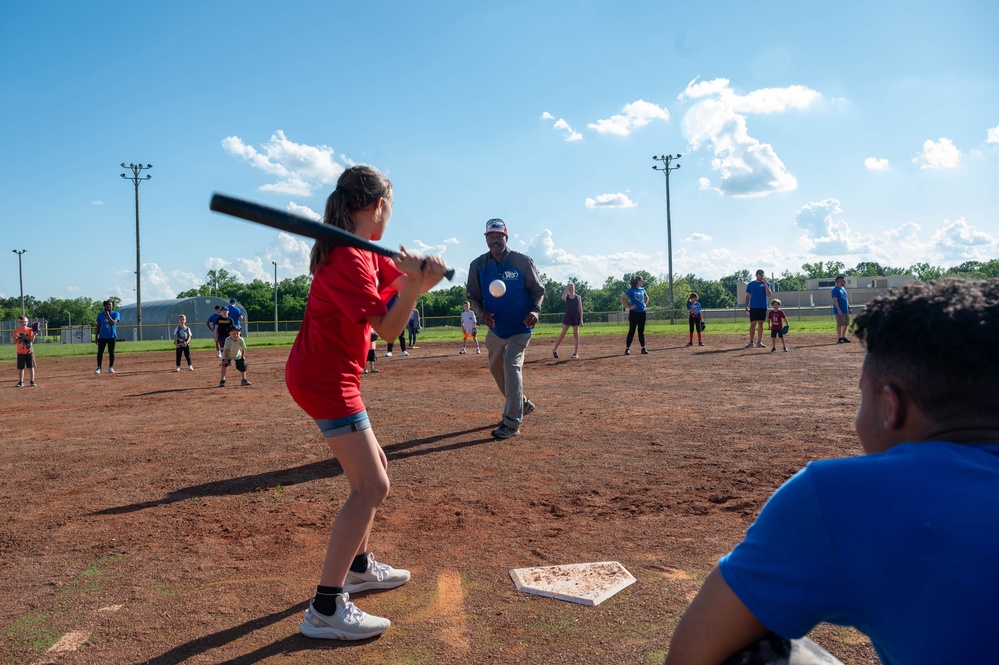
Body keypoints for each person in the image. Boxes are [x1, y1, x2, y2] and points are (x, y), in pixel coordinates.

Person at [665, 278, 999, 665]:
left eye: (863, 397)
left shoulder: (838, 495)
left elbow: (691, 654)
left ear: (892, 408)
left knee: (761, 651)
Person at [284, 165, 446, 640]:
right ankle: (326, 608)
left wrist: (419, 276)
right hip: (324, 376)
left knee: (376, 468)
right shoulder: (346, 258)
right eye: (390, 207)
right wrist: (415, 284)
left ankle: (357, 567)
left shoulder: (364, 253)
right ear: (378, 207)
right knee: (371, 486)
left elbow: (394, 292)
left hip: (333, 373)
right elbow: (390, 328)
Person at [466, 218, 545, 439]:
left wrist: (535, 310)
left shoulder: (521, 261)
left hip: (521, 326)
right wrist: (481, 314)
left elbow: (539, 290)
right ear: (486, 239)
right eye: (490, 236)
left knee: (511, 366)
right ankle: (522, 404)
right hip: (496, 328)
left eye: (498, 236)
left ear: (506, 237)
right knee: (496, 368)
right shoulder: (478, 265)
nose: (494, 240)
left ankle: (511, 423)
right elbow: (474, 298)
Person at [552, 281, 583, 359]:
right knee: (563, 333)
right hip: (568, 316)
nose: (571, 289)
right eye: (570, 288)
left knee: (576, 334)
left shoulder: (578, 297)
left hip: (576, 316)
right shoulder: (567, 297)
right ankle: (554, 349)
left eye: (572, 287)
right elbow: (563, 297)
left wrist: (581, 319)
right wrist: (566, 288)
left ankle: (575, 353)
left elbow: (580, 309)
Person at [621, 274, 649, 355]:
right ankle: (627, 348)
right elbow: (622, 299)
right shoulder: (631, 290)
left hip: (642, 312)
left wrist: (645, 304)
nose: (642, 282)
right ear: (638, 281)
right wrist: (629, 307)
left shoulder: (642, 289)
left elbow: (647, 297)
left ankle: (643, 348)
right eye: (641, 280)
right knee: (632, 331)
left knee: (641, 331)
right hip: (634, 313)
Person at [745, 269, 772, 348]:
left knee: (761, 323)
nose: (761, 276)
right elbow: (747, 296)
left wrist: (766, 285)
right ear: (756, 275)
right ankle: (751, 341)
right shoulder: (750, 284)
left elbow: (769, 294)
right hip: (753, 307)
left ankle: (759, 342)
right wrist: (746, 306)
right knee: (753, 324)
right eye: (760, 275)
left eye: (762, 275)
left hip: (762, 306)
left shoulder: (766, 284)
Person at [95, 299, 119, 374]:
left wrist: (108, 315)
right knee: (100, 352)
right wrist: (96, 337)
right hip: (102, 336)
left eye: (110, 304)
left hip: (111, 336)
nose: (109, 306)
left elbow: (113, 323)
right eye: (107, 305)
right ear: (104, 306)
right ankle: (99, 367)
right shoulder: (100, 315)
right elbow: (98, 326)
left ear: (112, 306)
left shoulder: (116, 313)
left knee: (111, 352)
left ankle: (111, 367)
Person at [13, 315, 36, 387]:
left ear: (27, 322)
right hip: (20, 352)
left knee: (31, 367)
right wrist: (16, 337)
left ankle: (32, 381)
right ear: (18, 322)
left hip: (29, 351)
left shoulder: (30, 330)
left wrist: (34, 334)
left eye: (25, 322)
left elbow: (32, 340)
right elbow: (14, 341)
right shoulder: (16, 331)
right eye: (22, 322)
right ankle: (21, 382)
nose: (24, 323)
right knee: (20, 368)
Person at [832, 275, 852, 344]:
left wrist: (849, 307)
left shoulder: (843, 289)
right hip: (839, 310)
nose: (844, 282)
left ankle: (843, 337)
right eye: (843, 280)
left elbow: (846, 299)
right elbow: (835, 300)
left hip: (845, 309)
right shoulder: (835, 290)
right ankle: (839, 338)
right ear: (839, 281)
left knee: (846, 324)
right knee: (839, 324)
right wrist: (838, 309)